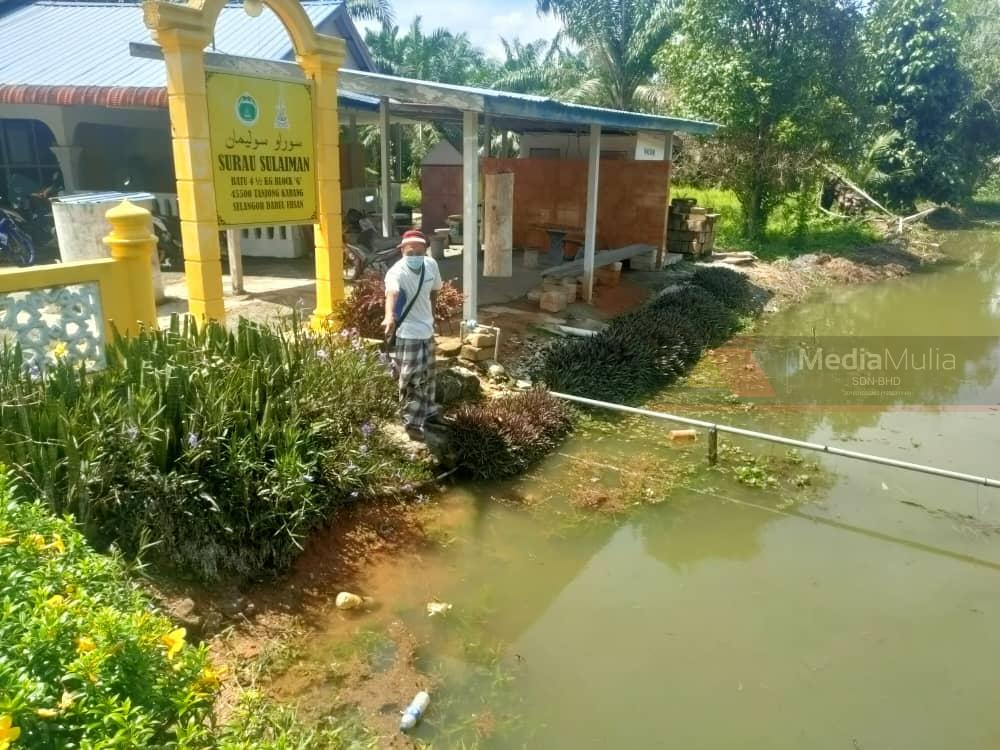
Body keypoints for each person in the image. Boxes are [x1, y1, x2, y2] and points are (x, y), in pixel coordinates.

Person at [382, 230, 443, 441]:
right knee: (411, 377)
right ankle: (411, 422)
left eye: (419, 252)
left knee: (429, 374)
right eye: (410, 253)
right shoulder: (395, 272)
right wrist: (389, 316)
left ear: (425, 251)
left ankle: (429, 412)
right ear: (402, 251)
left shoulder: (431, 265)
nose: (415, 257)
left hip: (426, 329)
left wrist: (433, 316)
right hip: (408, 332)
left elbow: (435, 291)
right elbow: (392, 294)